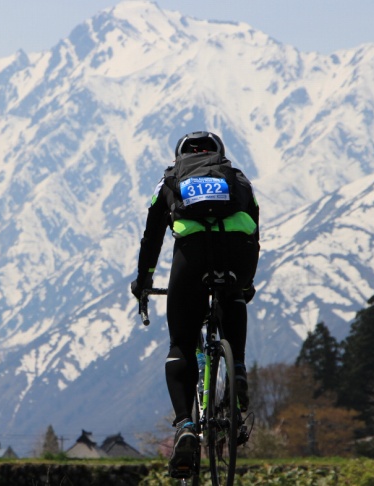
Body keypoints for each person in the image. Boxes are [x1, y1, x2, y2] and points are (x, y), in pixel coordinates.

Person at [130, 131, 259, 478]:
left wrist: (144, 281)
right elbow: (254, 228)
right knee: (232, 295)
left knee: (181, 343)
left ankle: (186, 425)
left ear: (179, 156)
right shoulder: (236, 177)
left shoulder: (171, 178)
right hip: (238, 251)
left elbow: (152, 236)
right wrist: (245, 283)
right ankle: (239, 371)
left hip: (193, 255)